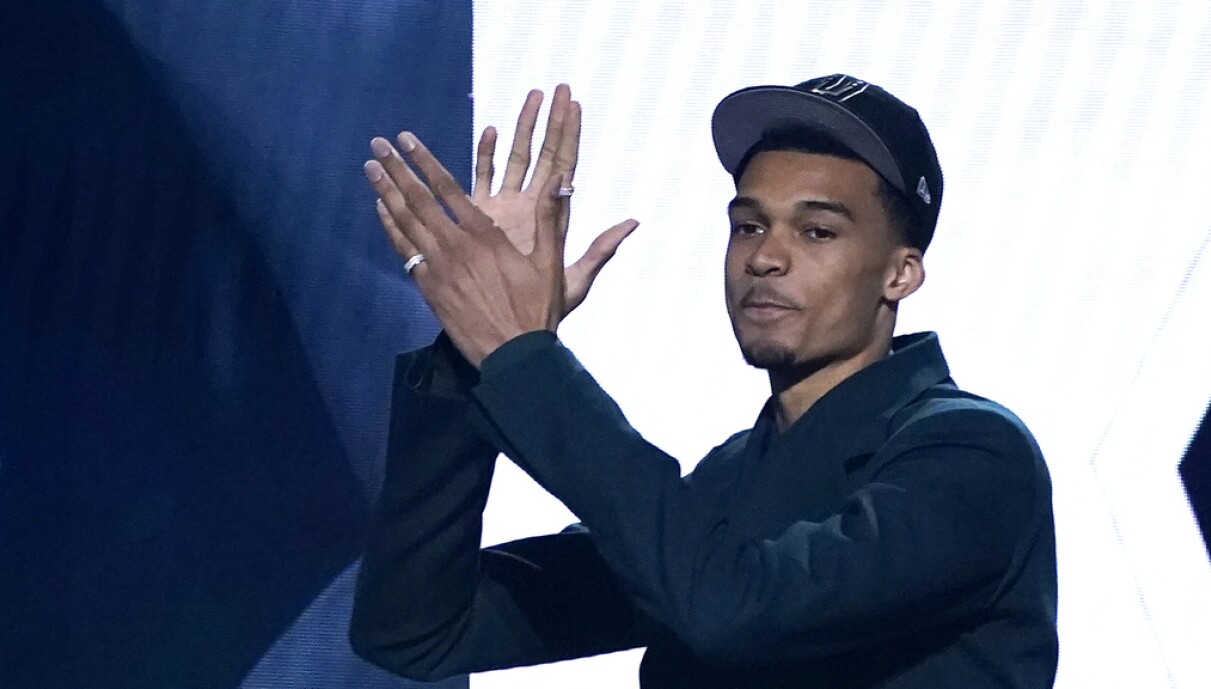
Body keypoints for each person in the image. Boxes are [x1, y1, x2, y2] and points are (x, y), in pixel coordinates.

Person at [350, 75, 1058, 689]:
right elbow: (418, 630)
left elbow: (737, 611)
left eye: (817, 231)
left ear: (901, 273)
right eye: (748, 226)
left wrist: (523, 358)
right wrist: (473, 347)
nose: (765, 258)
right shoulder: (729, 484)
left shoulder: (974, 456)